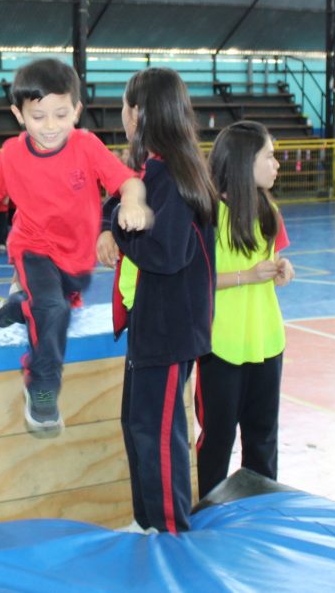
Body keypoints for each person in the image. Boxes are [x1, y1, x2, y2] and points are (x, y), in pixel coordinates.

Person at [0, 57, 151, 436]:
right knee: (52, 310)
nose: (50, 127)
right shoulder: (13, 154)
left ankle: (19, 305)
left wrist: (132, 203)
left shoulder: (87, 146)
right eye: (39, 116)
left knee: (54, 302)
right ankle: (42, 389)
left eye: (61, 115)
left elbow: (128, 182)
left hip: (76, 260)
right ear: (19, 114)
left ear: (77, 111)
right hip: (32, 246)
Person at [102, 68, 218, 534]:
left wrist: (118, 229)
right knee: (137, 424)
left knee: (161, 433)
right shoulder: (153, 169)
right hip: (151, 323)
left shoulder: (171, 172)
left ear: (141, 112)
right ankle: (147, 519)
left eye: (127, 106)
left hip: (170, 331)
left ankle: (170, 530)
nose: (124, 115)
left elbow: (167, 254)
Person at [195, 120, 294, 500]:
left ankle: (261, 512)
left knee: (263, 436)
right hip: (221, 345)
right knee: (218, 438)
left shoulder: (269, 210)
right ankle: (208, 512)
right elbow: (197, 278)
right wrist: (246, 275)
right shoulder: (206, 215)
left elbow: (274, 257)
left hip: (266, 340)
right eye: (269, 156)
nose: (276, 164)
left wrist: (282, 269)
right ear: (243, 162)